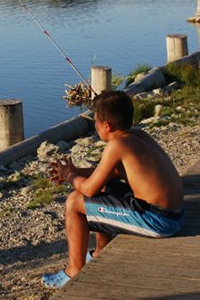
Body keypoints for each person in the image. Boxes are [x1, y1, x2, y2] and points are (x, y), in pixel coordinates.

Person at [42, 90, 185, 289]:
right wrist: (76, 171)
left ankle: (73, 270)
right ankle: (101, 251)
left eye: (95, 123)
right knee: (107, 188)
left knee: (74, 202)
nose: (95, 127)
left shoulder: (116, 145)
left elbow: (89, 189)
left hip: (158, 221)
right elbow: (110, 173)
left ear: (106, 126)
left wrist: (68, 176)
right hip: (175, 215)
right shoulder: (137, 135)